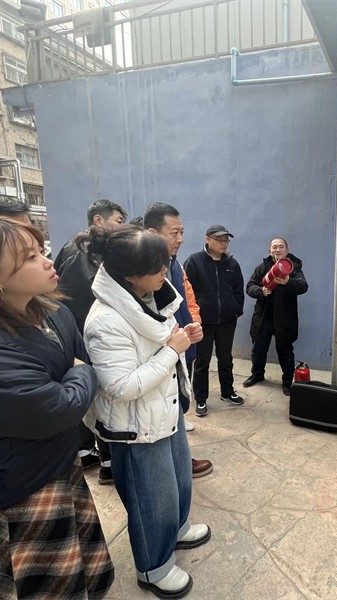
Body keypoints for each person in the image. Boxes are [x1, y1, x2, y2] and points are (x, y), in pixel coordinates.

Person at [0, 216, 114, 598]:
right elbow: (58, 408)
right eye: (30, 257)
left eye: (41, 251)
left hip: (50, 471)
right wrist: (81, 373)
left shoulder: (47, 310)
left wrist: (76, 371)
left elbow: (76, 360)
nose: (47, 261)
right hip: (0, 498)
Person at [83, 225, 210, 599]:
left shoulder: (151, 295)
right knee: (150, 500)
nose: (165, 272)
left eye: (165, 263)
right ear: (130, 275)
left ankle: (177, 529)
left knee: (178, 483)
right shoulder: (105, 320)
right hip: (135, 427)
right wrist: (173, 350)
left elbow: (161, 344)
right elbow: (122, 387)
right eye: (157, 267)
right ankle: (153, 567)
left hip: (164, 411)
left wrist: (183, 338)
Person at [54, 199, 128, 485]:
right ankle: (108, 462)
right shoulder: (86, 251)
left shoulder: (71, 247)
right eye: (119, 221)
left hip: (78, 336)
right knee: (100, 393)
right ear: (98, 220)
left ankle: (87, 451)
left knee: (88, 394)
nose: (122, 227)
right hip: (90, 337)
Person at [144, 202, 213, 477]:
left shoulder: (173, 264)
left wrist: (193, 323)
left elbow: (186, 298)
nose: (181, 239)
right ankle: (177, 463)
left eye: (182, 232)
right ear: (152, 233)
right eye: (174, 233)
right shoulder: (146, 272)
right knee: (166, 407)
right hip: (166, 352)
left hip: (183, 341)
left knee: (180, 400)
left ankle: (181, 459)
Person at [184, 224, 245, 417]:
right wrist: (194, 317)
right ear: (207, 239)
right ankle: (201, 399)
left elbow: (239, 289)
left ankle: (228, 392)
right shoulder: (194, 261)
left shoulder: (232, 264)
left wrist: (236, 309)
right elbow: (187, 291)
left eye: (226, 240)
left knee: (226, 358)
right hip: (204, 322)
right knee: (202, 361)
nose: (223, 243)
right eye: (219, 239)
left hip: (227, 321)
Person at [244, 237, 308, 396]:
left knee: (285, 351)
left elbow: (303, 286)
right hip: (263, 317)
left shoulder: (294, 267)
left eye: (281, 247)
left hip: (285, 319)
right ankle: (257, 375)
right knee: (258, 350)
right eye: (274, 247)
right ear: (269, 250)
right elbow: (250, 287)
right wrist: (261, 291)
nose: (277, 250)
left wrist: (288, 282)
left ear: (287, 250)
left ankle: (287, 382)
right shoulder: (263, 267)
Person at [53, 198, 127, 271]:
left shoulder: (96, 246)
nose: (124, 227)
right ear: (98, 220)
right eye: (119, 221)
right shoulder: (83, 250)